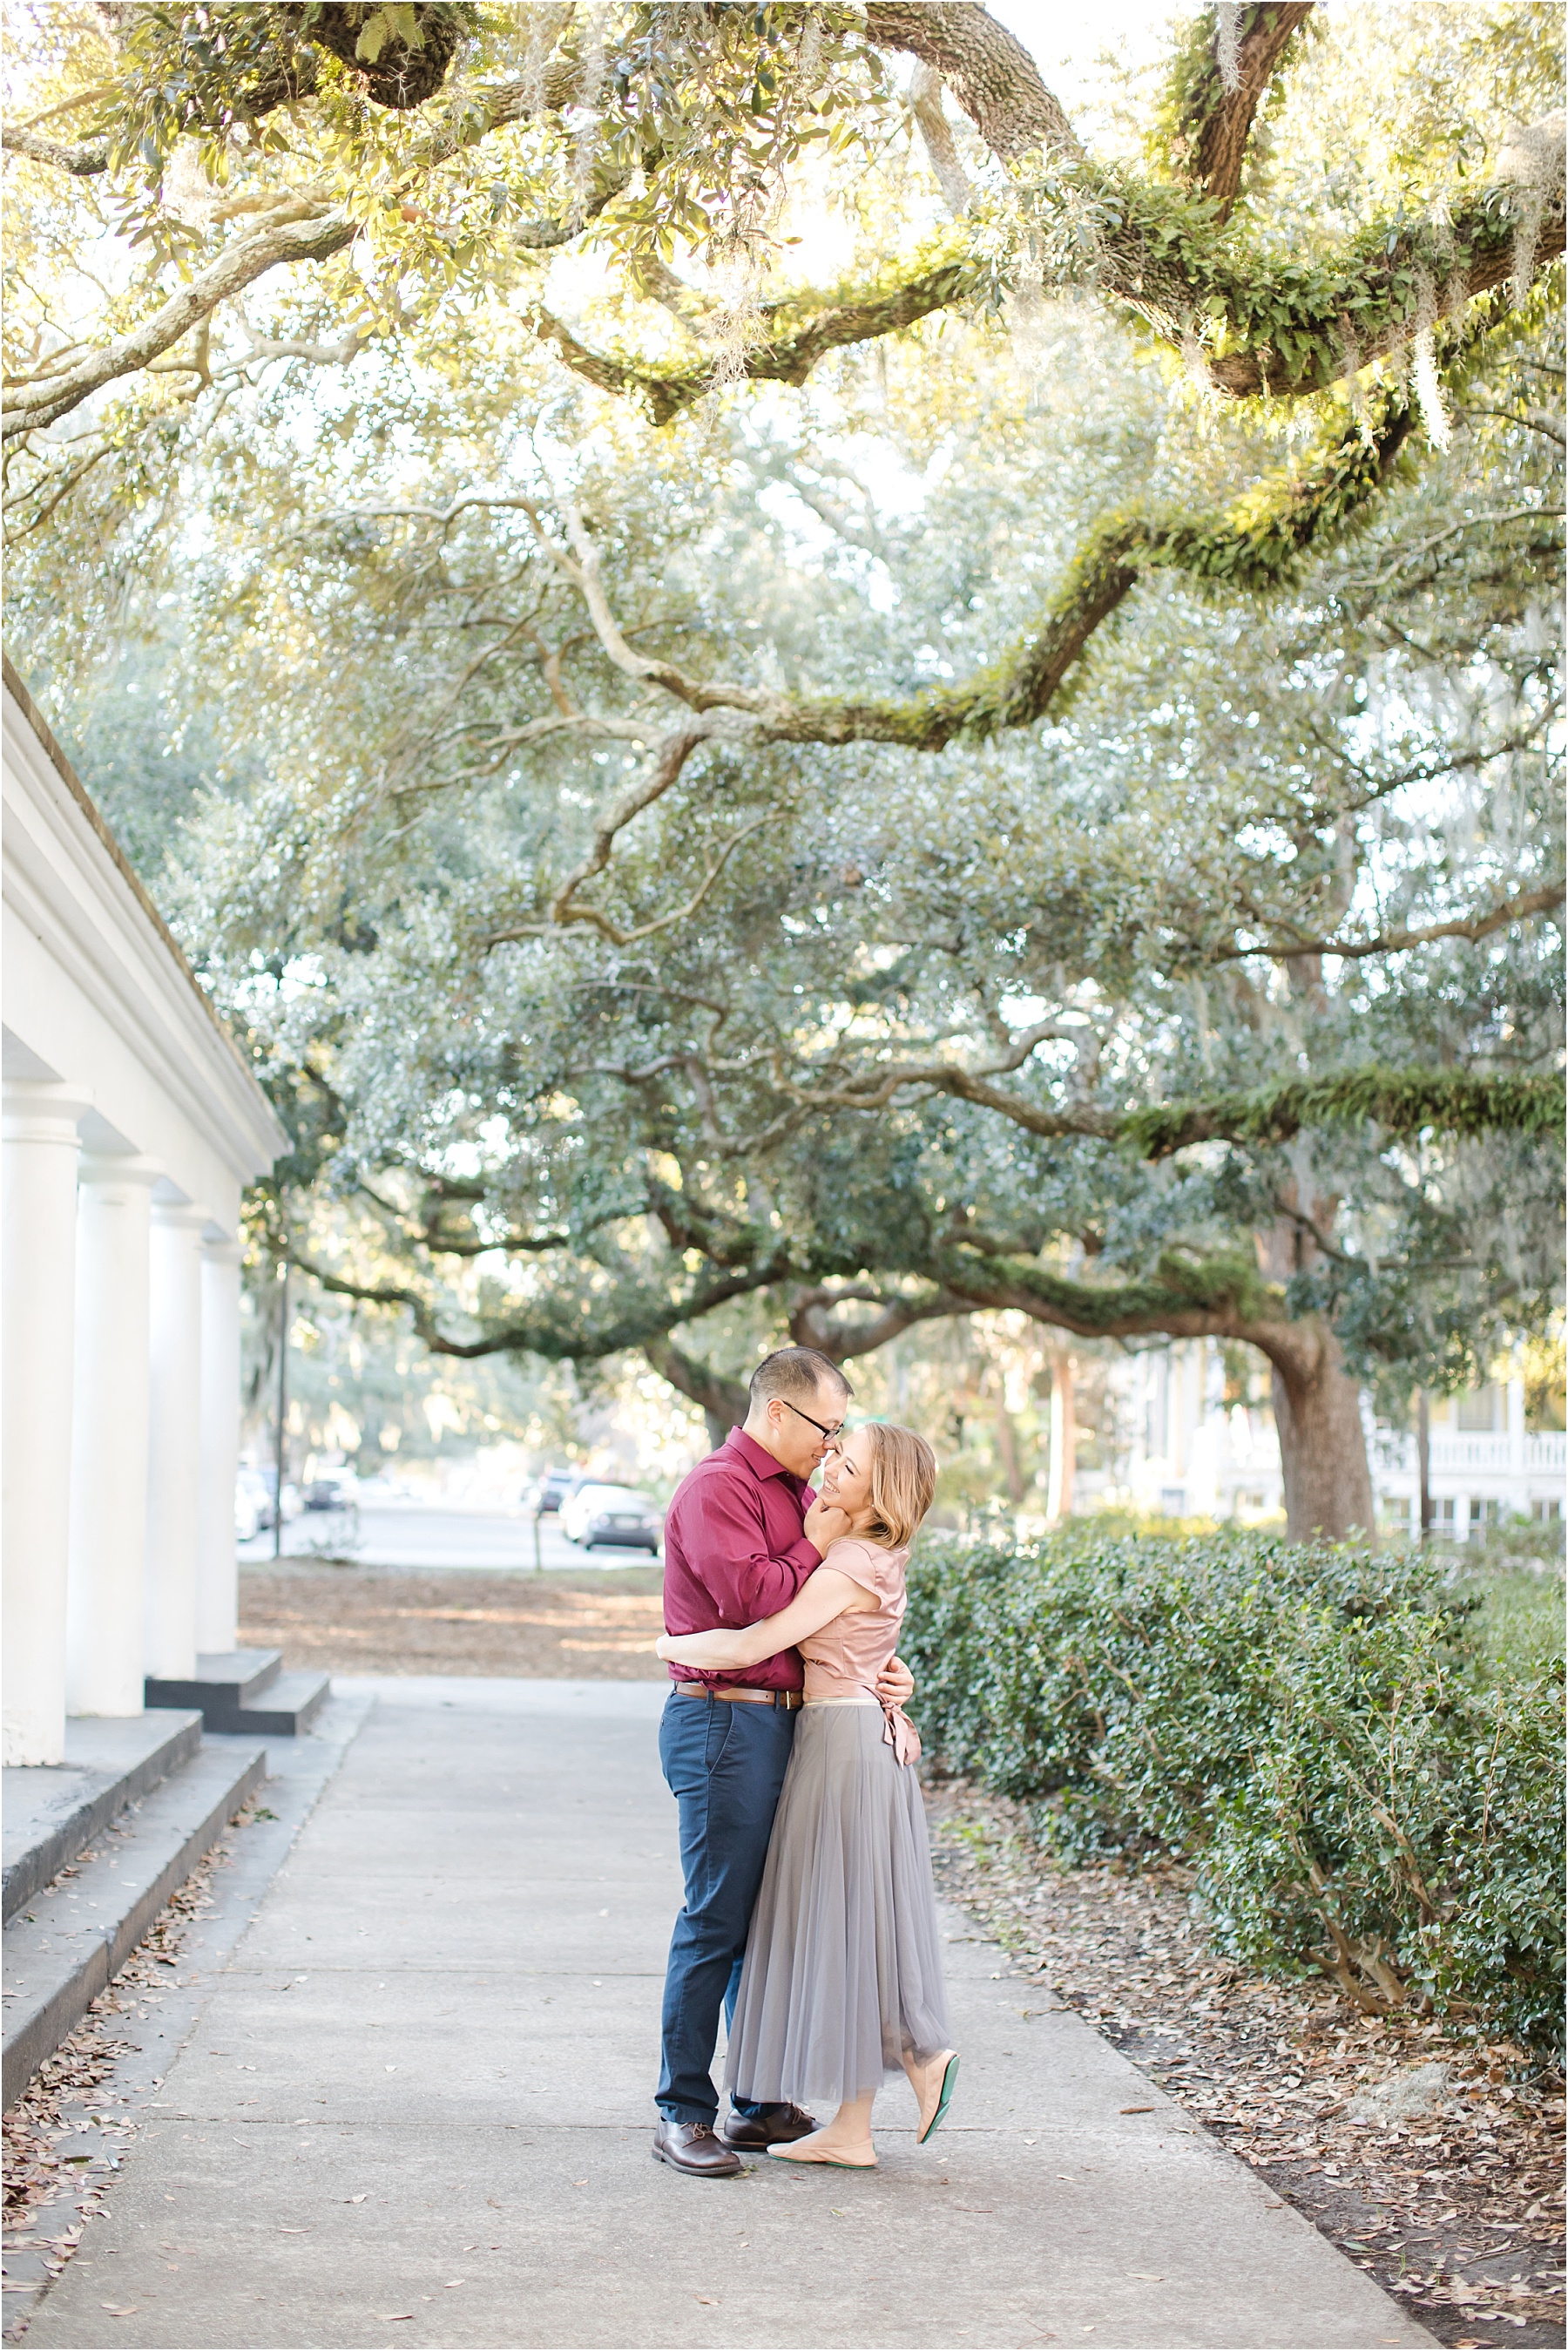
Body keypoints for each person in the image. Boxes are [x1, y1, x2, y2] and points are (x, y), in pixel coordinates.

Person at [658, 1421, 956, 2171]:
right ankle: (848, 2119)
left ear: (875, 1490)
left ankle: (915, 2059)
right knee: (833, 1921)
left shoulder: (846, 1552)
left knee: (838, 1921)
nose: (830, 1462)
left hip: (838, 1740)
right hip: (835, 1733)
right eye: (832, 1445)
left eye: (846, 1461)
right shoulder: (836, 1536)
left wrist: (670, 1647)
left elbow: (758, 1636)